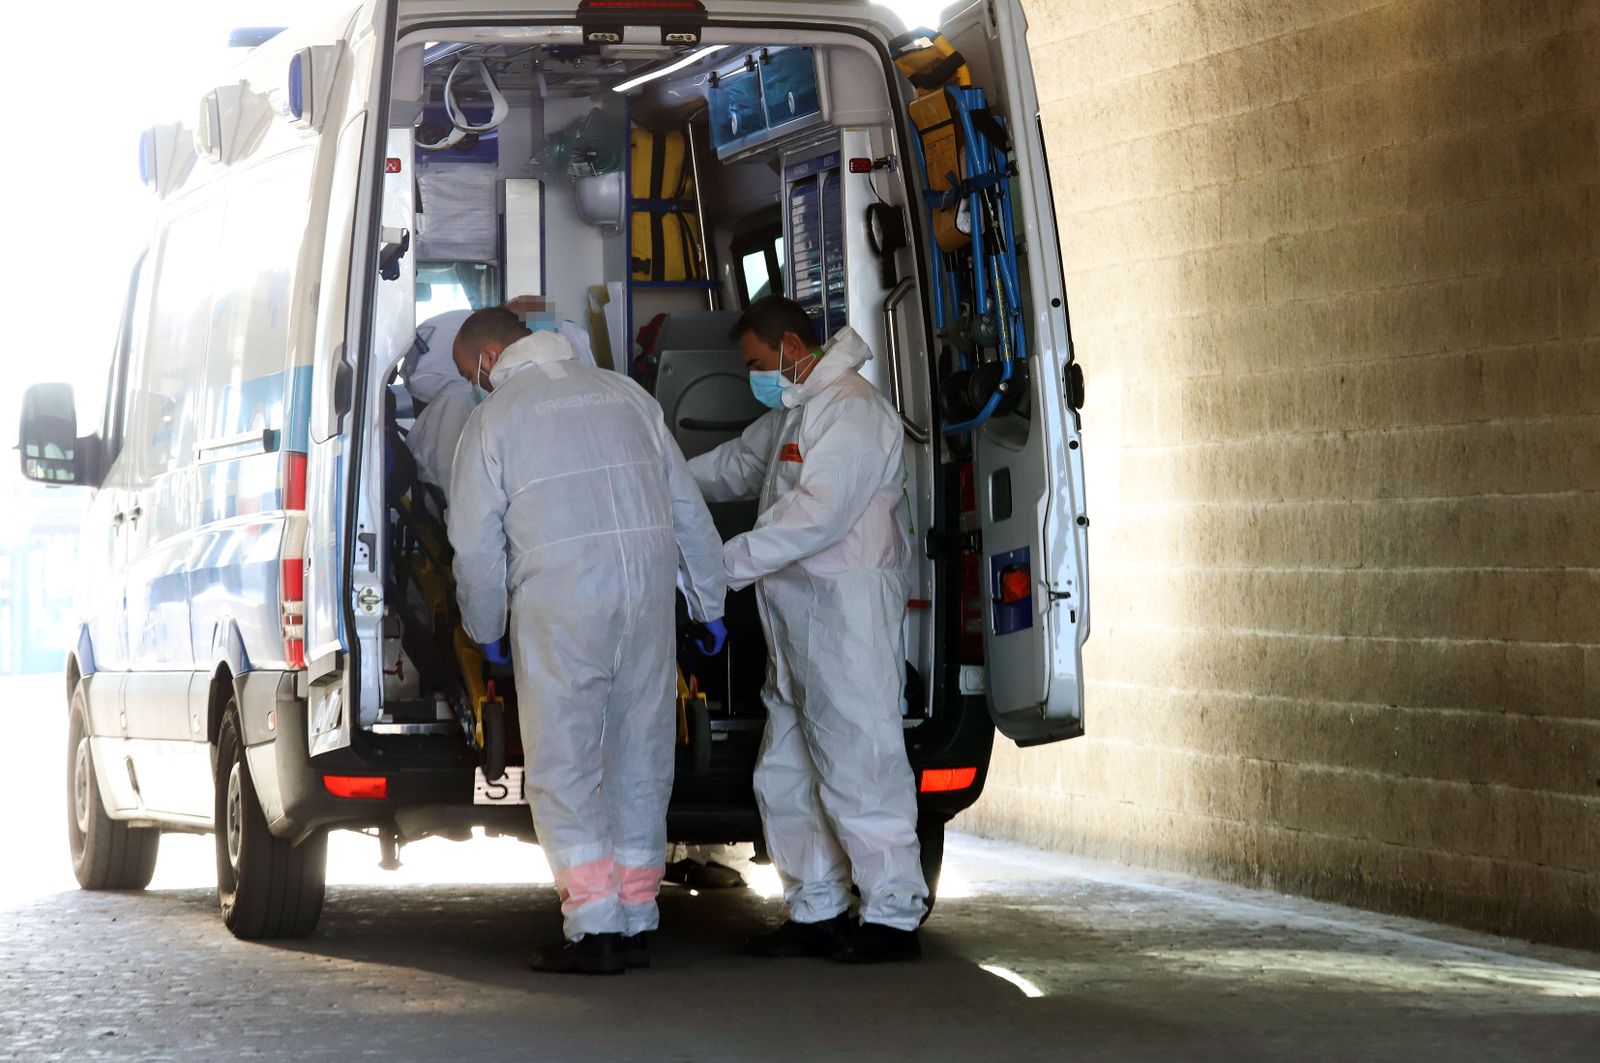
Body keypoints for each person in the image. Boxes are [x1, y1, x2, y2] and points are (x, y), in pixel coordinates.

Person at [447, 307, 728, 975]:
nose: (474, 386)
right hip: (647, 600)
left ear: (488, 359)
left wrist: (486, 629)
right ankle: (634, 916)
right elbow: (686, 506)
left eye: (469, 375)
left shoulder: (494, 420)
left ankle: (595, 926)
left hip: (562, 603)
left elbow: (476, 550)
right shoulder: (625, 394)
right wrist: (708, 600)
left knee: (566, 764)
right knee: (641, 756)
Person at [689, 295, 927, 964]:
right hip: (798, 618)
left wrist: (718, 567)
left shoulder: (850, 410)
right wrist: (660, 480)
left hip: (845, 613)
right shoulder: (798, 411)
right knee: (787, 770)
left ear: (792, 345)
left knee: (859, 761)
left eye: (758, 362)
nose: (754, 376)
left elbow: (815, 517)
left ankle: (892, 916)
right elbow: (737, 464)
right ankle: (815, 907)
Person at [404, 299, 596, 494]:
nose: (477, 384)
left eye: (470, 376)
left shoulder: (496, 413)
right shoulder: (612, 387)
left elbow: (475, 512)